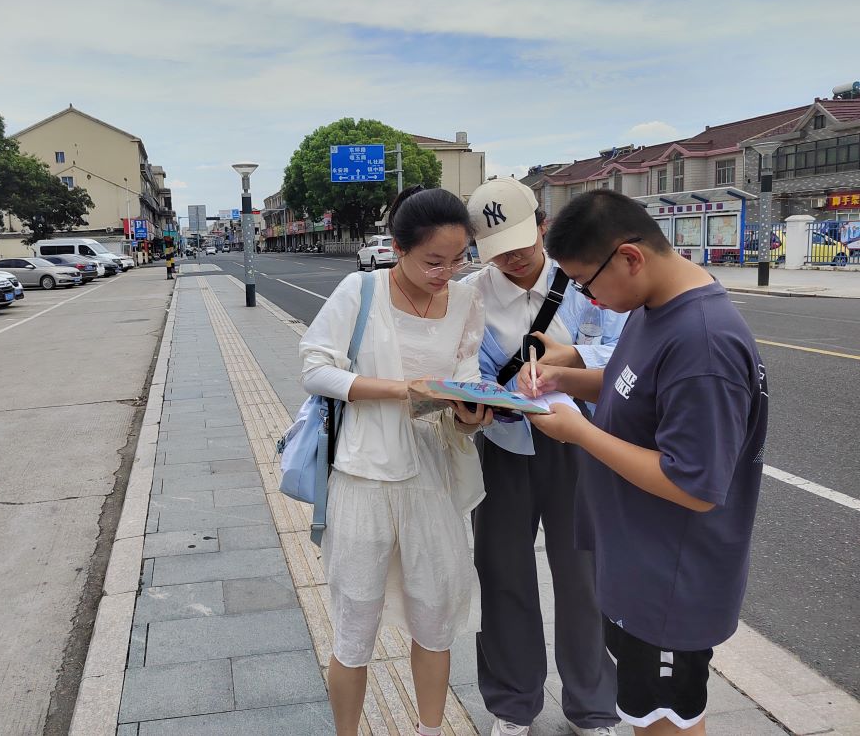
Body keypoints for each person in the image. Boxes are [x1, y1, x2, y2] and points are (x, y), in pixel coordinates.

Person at [520, 189, 768, 735]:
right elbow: (633, 387)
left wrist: (580, 432)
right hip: (638, 566)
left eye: (588, 282)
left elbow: (694, 484)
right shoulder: (654, 304)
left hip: (669, 586)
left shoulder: (703, 343)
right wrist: (565, 379)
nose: (590, 298)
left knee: (665, 725)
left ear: (630, 257)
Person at [299, 185, 492, 736]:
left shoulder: (464, 300)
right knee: (354, 626)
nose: (447, 273)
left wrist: (471, 414)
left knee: (434, 619)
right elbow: (315, 369)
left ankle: (430, 730)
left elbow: (468, 377)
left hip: (433, 474)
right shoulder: (360, 290)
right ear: (399, 249)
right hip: (363, 475)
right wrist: (400, 389)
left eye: (458, 260)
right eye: (434, 261)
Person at [463, 179, 623, 736]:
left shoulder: (586, 283)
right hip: (504, 446)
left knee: (584, 575)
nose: (511, 256)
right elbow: (466, 369)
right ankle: (512, 703)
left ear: (543, 225)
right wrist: (475, 403)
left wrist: (571, 361)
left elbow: (628, 352)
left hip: (579, 442)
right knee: (502, 572)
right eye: (496, 246)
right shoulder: (472, 297)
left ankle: (595, 705)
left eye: (520, 241)